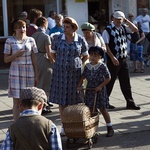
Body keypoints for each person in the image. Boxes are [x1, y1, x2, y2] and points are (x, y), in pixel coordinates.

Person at [49, 17, 89, 135]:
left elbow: (85, 55)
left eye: (67, 27)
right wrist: (60, 63)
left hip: (74, 74)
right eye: (63, 27)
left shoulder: (80, 40)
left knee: (74, 100)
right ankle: (63, 126)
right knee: (62, 101)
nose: (64, 29)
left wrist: (76, 63)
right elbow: (52, 54)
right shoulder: (57, 38)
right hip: (60, 73)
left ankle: (74, 124)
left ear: (73, 28)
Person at [102, 11, 140, 110]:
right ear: (112, 18)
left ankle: (130, 102)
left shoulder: (123, 27)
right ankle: (104, 102)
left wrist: (126, 20)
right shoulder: (108, 30)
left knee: (126, 82)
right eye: (117, 19)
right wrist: (112, 57)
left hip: (123, 59)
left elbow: (135, 29)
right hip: (113, 59)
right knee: (109, 82)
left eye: (120, 19)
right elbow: (105, 45)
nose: (119, 21)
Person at [3, 19, 38, 121]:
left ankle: (29, 123)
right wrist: (16, 54)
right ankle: (17, 124)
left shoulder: (31, 40)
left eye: (23, 27)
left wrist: (37, 74)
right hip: (15, 72)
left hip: (29, 71)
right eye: (19, 27)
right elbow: (6, 60)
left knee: (30, 100)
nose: (22, 29)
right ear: (15, 29)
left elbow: (34, 59)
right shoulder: (10, 41)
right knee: (17, 101)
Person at [77, 46, 114, 137]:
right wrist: (79, 86)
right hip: (90, 90)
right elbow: (83, 77)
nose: (92, 57)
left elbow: (108, 77)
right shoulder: (87, 66)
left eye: (95, 56)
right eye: (91, 55)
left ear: (100, 57)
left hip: (100, 91)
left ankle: (109, 127)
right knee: (91, 109)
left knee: (103, 109)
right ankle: (92, 128)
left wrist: (100, 86)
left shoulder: (102, 66)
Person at [32, 16, 54, 113]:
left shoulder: (32, 36)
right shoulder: (46, 36)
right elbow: (49, 53)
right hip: (44, 60)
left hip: (35, 59)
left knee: (38, 83)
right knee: (46, 85)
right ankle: (44, 105)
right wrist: (54, 62)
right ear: (44, 24)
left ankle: (36, 104)